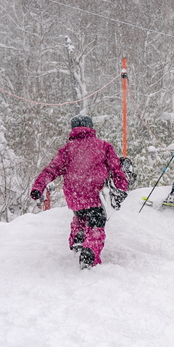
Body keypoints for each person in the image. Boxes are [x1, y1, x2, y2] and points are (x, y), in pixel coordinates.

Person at [30, 115, 129, 269]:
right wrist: (122, 188)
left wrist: (38, 187)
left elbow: (51, 170)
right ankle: (90, 252)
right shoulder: (103, 146)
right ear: (91, 127)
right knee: (96, 223)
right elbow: (117, 170)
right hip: (96, 194)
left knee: (81, 215)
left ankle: (78, 237)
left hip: (75, 195)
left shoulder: (66, 150)